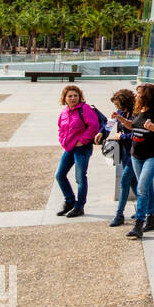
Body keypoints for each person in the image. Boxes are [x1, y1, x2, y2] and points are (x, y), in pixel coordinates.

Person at [110, 83, 154, 239]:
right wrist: (121, 119)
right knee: (146, 188)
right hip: (136, 155)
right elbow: (134, 126)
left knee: (142, 188)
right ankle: (151, 218)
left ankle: (139, 223)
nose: (135, 96)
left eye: (138, 94)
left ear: (146, 96)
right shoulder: (139, 110)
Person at [55, 84, 101, 218]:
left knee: (80, 177)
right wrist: (62, 140)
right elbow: (60, 128)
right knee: (60, 175)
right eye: (70, 96)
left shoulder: (85, 109)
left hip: (82, 148)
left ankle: (79, 206)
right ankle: (69, 201)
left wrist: (83, 141)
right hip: (69, 147)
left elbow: (94, 126)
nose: (73, 98)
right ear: (65, 98)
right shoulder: (64, 111)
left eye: (76, 95)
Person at [106, 88, 137, 228]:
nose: (118, 108)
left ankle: (119, 214)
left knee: (125, 181)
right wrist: (102, 134)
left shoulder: (136, 113)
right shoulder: (120, 112)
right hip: (124, 150)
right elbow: (110, 124)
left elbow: (139, 134)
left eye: (119, 105)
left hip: (135, 152)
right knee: (133, 182)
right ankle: (147, 208)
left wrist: (121, 136)